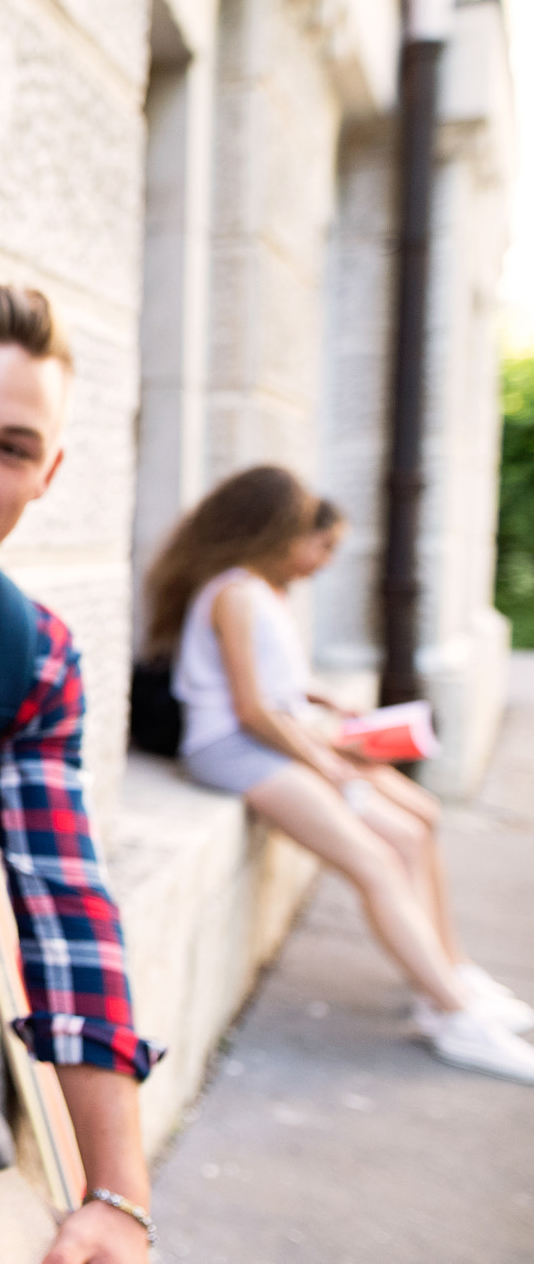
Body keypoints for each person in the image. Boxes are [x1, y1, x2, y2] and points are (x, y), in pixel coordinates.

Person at [146, 464, 534, 1083]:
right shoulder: (235, 593)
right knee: (375, 859)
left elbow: (277, 694)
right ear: (271, 528)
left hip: (272, 744)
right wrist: (327, 764)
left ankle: (445, 976)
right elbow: (252, 711)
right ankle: (455, 1013)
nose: (318, 550)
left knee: (412, 828)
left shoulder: (254, 591)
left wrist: (328, 725)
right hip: (236, 750)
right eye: (308, 532)